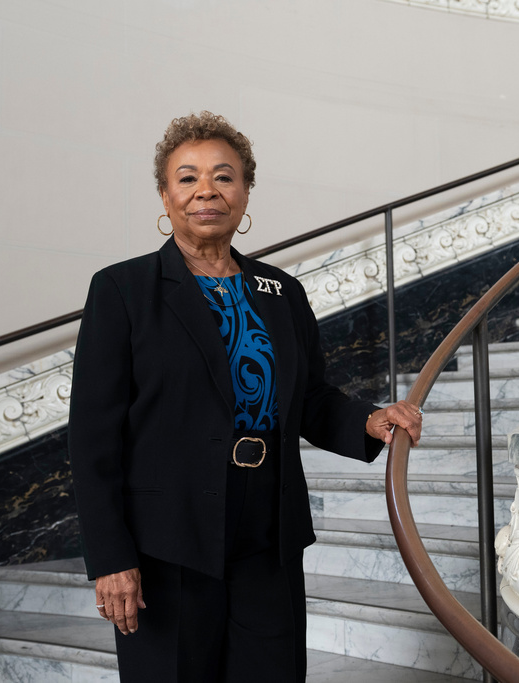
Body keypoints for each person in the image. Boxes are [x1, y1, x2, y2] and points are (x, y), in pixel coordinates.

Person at [68, 111, 423, 682]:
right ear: (165, 195)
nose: (206, 190)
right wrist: (112, 559)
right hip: (168, 539)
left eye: (224, 176)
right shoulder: (122, 290)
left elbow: (309, 399)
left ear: (245, 193)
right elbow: (93, 439)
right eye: (187, 178)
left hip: (268, 533)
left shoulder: (281, 291)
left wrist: (369, 419)